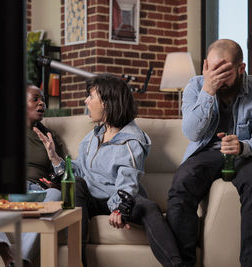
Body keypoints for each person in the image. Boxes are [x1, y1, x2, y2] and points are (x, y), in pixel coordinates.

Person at [35, 74, 183, 267]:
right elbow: (79, 172)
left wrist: (120, 208)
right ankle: (78, 262)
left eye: (91, 96)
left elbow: (128, 179)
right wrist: (54, 157)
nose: (86, 101)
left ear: (106, 102)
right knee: (77, 184)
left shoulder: (132, 139)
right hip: (91, 199)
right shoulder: (93, 136)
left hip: (120, 197)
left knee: (149, 207)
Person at [166, 39, 252, 267]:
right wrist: (208, 90)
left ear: (241, 68)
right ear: (206, 66)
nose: (218, 78)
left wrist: (242, 146)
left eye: (224, 72)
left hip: (245, 154)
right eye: (213, 70)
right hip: (206, 153)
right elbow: (191, 133)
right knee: (182, 182)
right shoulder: (195, 86)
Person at [0, 84, 64, 267]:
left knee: (56, 196)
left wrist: (53, 158)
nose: (42, 103)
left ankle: (21, 261)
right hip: (4, 189)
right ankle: (4, 250)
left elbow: (65, 176)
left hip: (36, 192)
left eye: (43, 100)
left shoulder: (50, 136)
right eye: (35, 99)